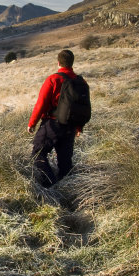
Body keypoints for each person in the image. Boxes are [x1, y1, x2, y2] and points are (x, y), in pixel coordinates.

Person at [27, 49, 86, 188]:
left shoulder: (53, 79)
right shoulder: (80, 81)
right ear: (72, 63)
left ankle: (51, 186)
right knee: (65, 161)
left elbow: (41, 103)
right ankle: (68, 190)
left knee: (37, 154)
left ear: (58, 63)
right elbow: (82, 106)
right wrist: (78, 127)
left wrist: (32, 123)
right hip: (70, 126)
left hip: (52, 124)